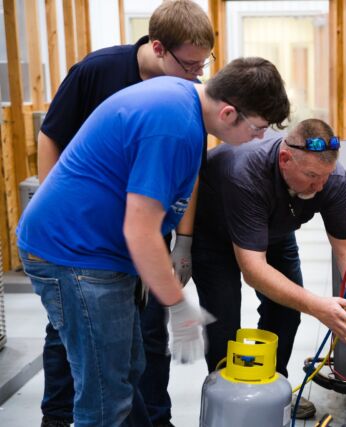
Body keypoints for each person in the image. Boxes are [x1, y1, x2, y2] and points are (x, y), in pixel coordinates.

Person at [18, 57, 290, 427]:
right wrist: (179, 308)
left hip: (99, 252)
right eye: (258, 128)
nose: (261, 138)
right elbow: (140, 230)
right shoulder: (174, 127)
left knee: (128, 373)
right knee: (104, 399)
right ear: (229, 113)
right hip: (74, 255)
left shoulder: (185, 103)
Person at [35, 2, 214, 426]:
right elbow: (51, 137)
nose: (196, 76)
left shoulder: (185, 97)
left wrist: (183, 242)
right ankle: (57, 417)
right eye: (189, 64)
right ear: (157, 48)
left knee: (146, 336)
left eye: (203, 64)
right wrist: (55, 207)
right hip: (83, 238)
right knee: (70, 336)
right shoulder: (98, 71)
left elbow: (189, 176)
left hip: (144, 234)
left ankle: (153, 417)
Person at [185, 118, 346, 420]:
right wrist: (318, 306)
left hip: (274, 229)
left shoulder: (332, 178)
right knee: (224, 320)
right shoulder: (246, 171)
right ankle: (229, 403)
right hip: (214, 233)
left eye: (325, 176)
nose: (320, 186)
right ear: (285, 160)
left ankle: (272, 393)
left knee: (286, 313)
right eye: (311, 176)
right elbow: (253, 270)